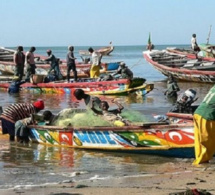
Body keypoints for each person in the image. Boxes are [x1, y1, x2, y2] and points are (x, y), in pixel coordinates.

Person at [193, 85, 215, 165]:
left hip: (198, 113)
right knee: (208, 143)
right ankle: (201, 163)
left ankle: (199, 162)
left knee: (199, 143)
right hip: (207, 116)